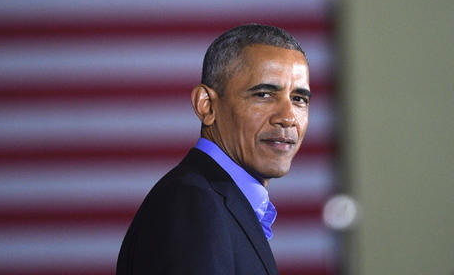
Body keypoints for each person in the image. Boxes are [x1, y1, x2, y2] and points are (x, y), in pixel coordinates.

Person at [116, 24, 311, 275]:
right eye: (263, 94)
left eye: (299, 99)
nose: (288, 117)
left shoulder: (217, 202)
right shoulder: (192, 206)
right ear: (206, 106)